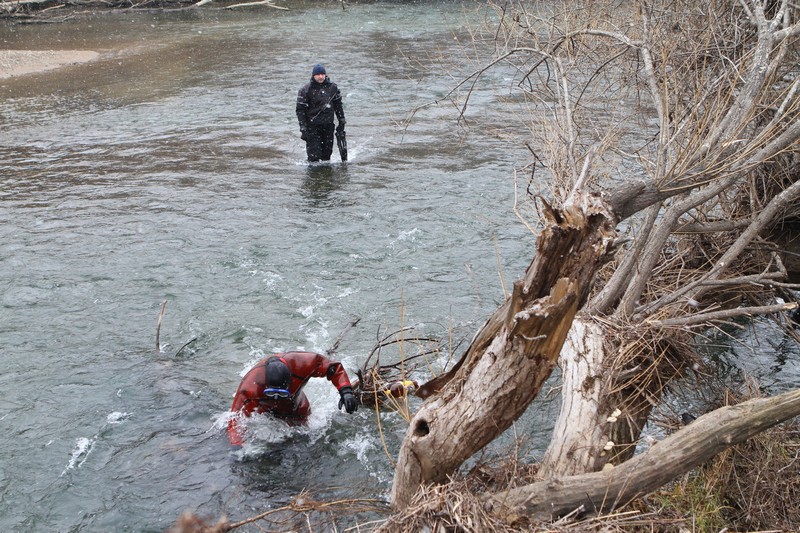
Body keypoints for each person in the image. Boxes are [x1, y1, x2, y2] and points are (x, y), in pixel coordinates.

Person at [227, 351, 358, 446]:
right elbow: (235, 420)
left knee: (307, 443)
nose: (278, 399)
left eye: (282, 394)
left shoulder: (303, 364)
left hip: (298, 409)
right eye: (272, 394)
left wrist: (345, 391)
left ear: (290, 380)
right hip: (267, 414)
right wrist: (238, 447)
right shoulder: (251, 386)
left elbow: (333, 369)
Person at [296, 64, 346, 162]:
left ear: (325, 75)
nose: (320, 77)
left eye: (322, 74)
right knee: (314, 156)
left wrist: (342, 121)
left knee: (326, 156)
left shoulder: (333, 88)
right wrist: (303, 128)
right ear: (313, 76)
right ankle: (313, 176)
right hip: (312, 127)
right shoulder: (305, 90)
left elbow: (338, 106)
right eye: (318, 74)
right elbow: (300, 110)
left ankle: (326, 176)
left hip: (328, 125)